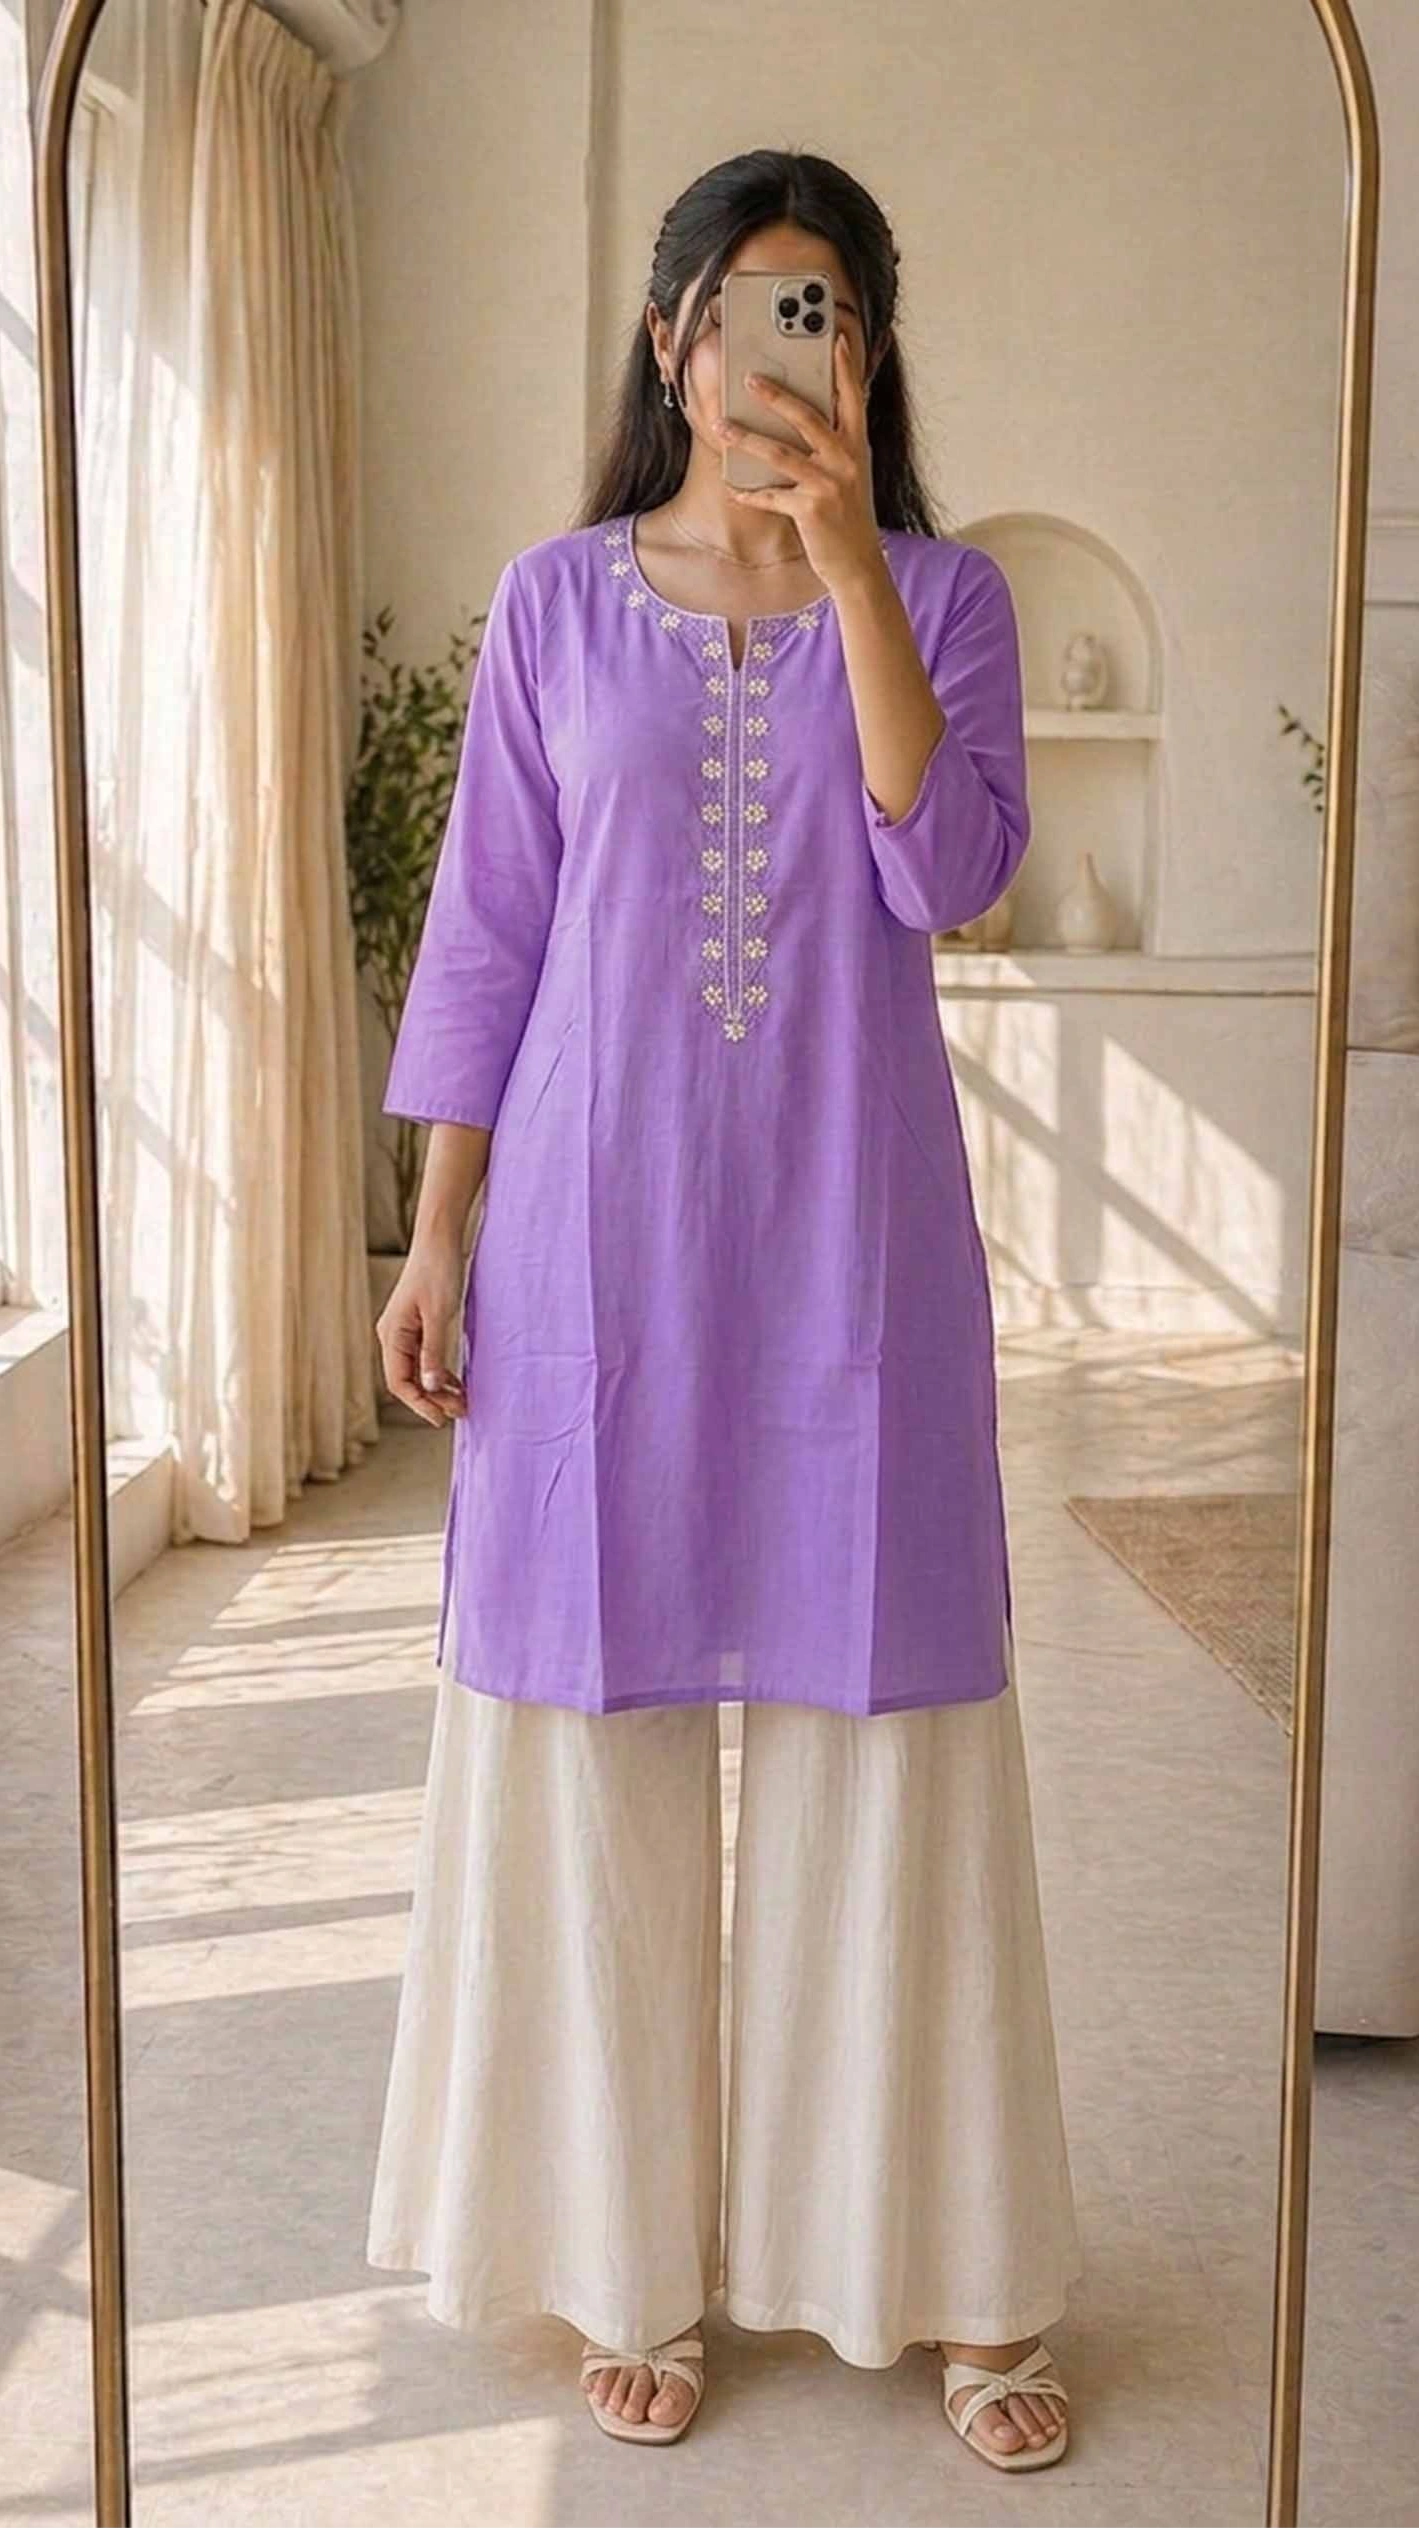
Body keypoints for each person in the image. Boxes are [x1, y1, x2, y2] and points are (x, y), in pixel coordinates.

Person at [366, 147, 1082, 2475]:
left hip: (855, 1257)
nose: (789, 346)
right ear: (668, 338)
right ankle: (626, 2254)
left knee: (895, 1736)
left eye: (829, 311)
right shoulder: (553, 607)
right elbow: (487, 933)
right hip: (593, 1251)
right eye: (755, 305)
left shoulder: (947, 594)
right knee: (596, 1736)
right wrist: (435, 1231)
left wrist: (852, 561)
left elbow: (944, 868)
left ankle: (944, 2273)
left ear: (869, 356)